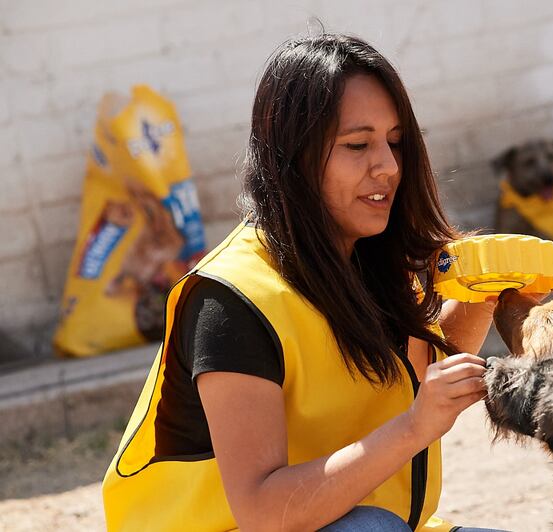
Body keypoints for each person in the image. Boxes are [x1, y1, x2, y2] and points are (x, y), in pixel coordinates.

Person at [103, 33, 531, 531]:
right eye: (357, 145)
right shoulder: (230, 300)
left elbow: (407, 384)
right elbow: (263, 511)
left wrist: (486, 293)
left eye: (395, 142)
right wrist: (415, 427)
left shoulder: (367, 256)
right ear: (294, 156)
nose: (389, 167)